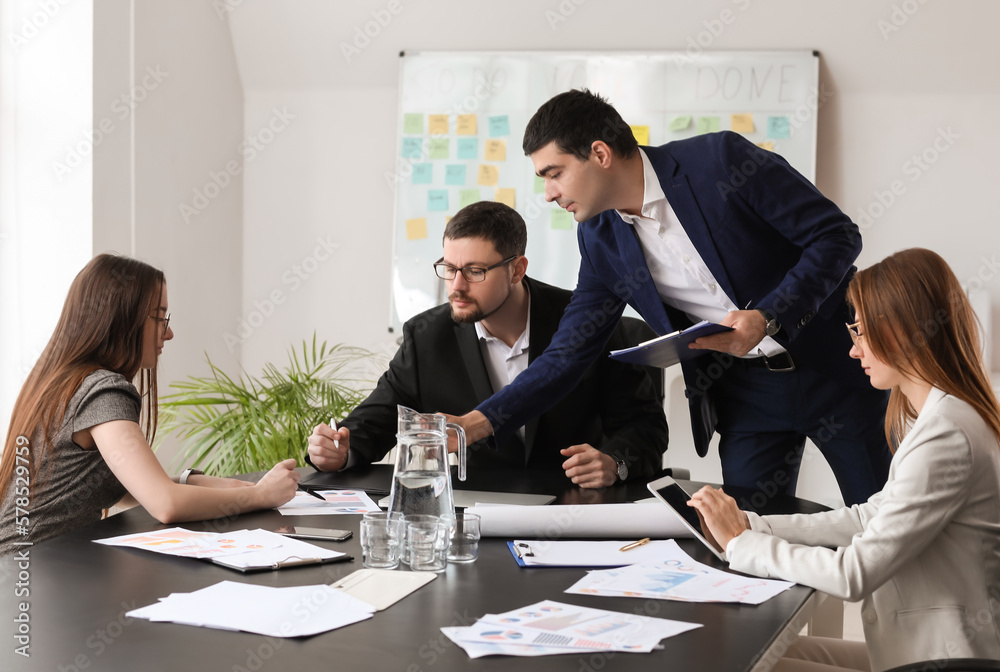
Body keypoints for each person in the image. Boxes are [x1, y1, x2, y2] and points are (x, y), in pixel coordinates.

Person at [453, 88, 891, 506]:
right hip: (746, 394)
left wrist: (769, 316)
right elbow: (569, 351)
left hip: (837, 369)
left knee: (886, 526)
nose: (548, 193)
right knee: (744, 538)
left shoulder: (721, 161)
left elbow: (835, 236)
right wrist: (479, 421)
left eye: (554, 173)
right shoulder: (599, 237)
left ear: (600, 154)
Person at [689, 248, 1000, 671]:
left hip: (945, 659)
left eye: (860, 332)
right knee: (758, 657)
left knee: (747, 665)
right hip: (921, 652)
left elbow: (853, 574)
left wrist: (743, 544)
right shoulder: (945, 417)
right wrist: (752, 524)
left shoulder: (946, 433)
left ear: (903, 331)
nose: (854, 351)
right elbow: (868, 518)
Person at [307, 201, 668, 487]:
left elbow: (646, 429)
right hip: (481, 510)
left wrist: (614, 463)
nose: (456, 286)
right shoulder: (427, 337)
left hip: (577, 508)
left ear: (517, 269)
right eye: (449, 268)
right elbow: (377, 421)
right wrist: (340, 449)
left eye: (475, 271)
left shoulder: (586, 324)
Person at [0, 254, 299, 555]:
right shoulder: (102, 391)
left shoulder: (56, 382)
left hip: (19, 574)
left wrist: (196, 481)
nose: (168, 333)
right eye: (159, 317)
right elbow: (164, 504)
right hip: (34, 579)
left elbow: (131, 487)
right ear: (121, 318)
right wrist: (262, 496)